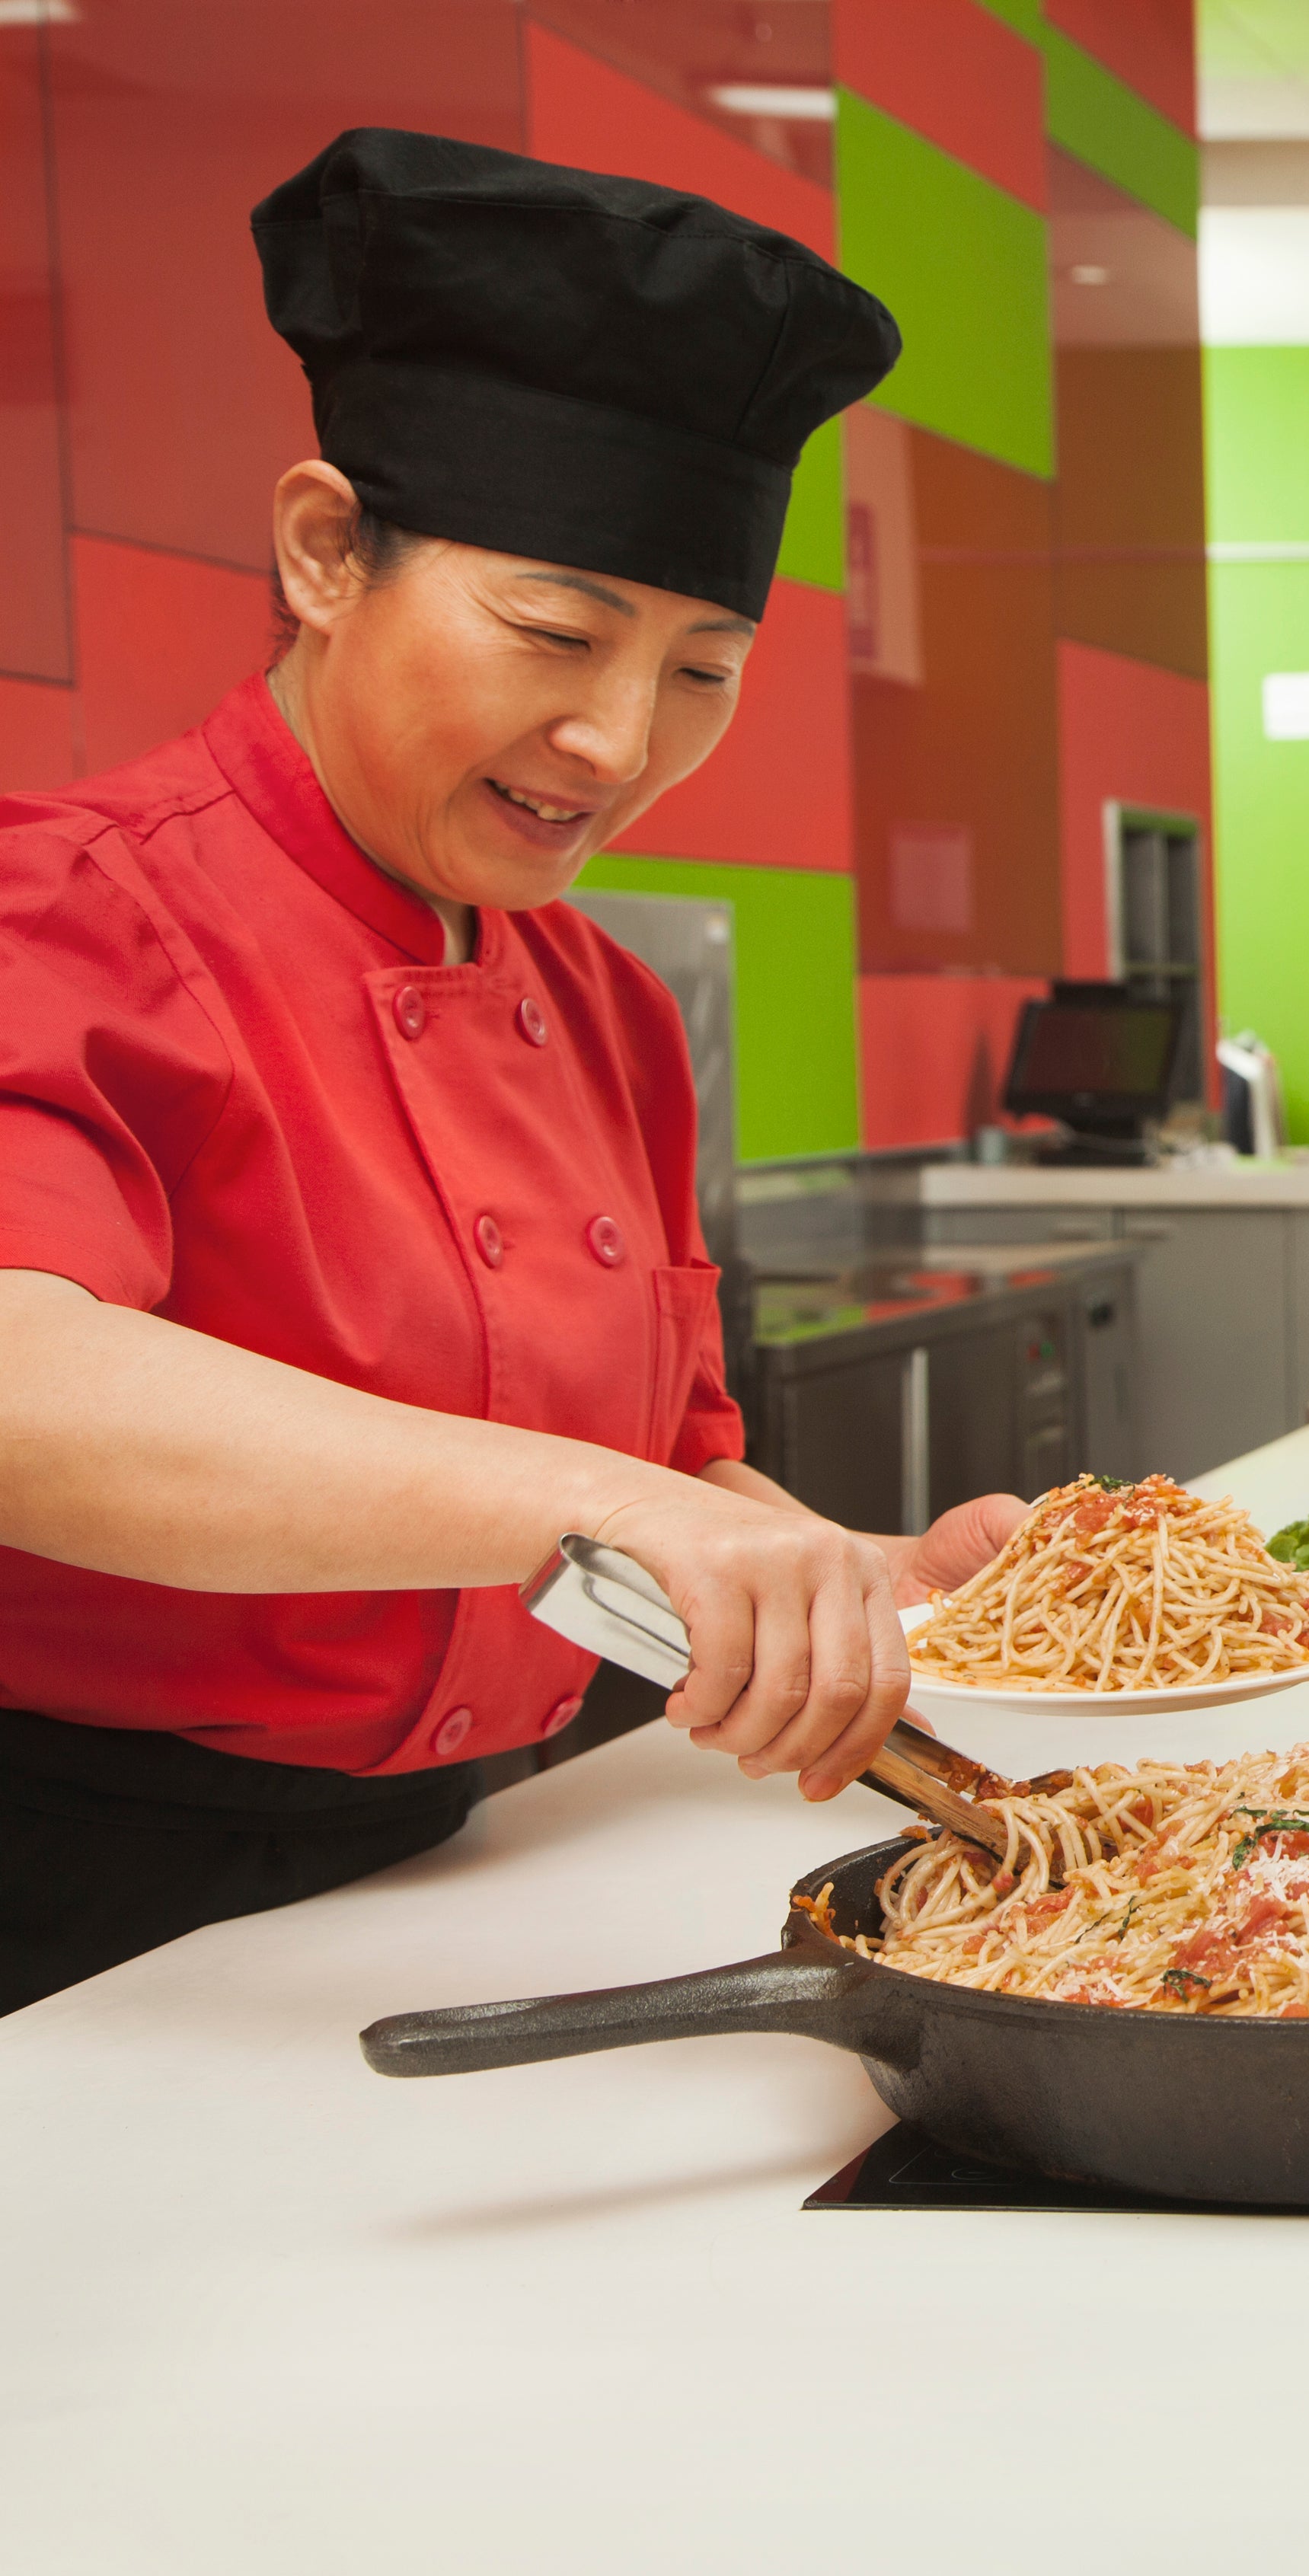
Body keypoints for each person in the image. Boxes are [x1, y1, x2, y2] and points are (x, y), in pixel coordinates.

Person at [0, 131, 1021, 2014]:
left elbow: (668, 1466)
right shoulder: (68, 906)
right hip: (87, 1911)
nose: (618, 742)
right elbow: (20, 1380)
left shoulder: (607, 1005)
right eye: (556, 635)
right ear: (326, 552)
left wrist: (845, 1574)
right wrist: (618, 1507)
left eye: (702, 670)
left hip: (478, 1850)